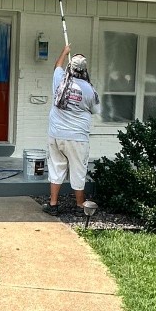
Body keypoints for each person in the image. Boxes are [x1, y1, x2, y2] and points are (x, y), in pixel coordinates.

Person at [45, 45, 98, 214]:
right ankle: (79, 206)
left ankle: (53, 205)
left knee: (56, 168)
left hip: (56, 135)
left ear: (70, 67)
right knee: (78, 170)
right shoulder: (90, 90)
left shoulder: (60, 81)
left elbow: (57, 67)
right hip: (78, 138)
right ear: (84, 70)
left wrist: (64, 52)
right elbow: (95, 110)